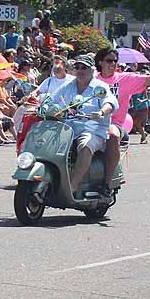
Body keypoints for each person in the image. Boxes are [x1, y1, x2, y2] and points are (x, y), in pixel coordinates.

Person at [93, 45, 150, 195]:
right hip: (90, 122)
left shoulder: (124, 79)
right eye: (109, 60)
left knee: (112, 134)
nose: (112, 64)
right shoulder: (92, 79)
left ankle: (107, 183)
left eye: (115, 61)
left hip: (113, 123)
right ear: (100, 62)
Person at [50, 54, 118, 197]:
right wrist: (39, 105)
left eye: (84, 68)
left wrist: (101, 112)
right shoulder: (67, 86)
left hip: (92, 130)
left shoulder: (100, 87)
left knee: (85, 145)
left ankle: (72, 187)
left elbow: (110, 102)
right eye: (77, 67)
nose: (80, 70)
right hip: (67, 129)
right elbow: (52, 100)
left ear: (92, 70)